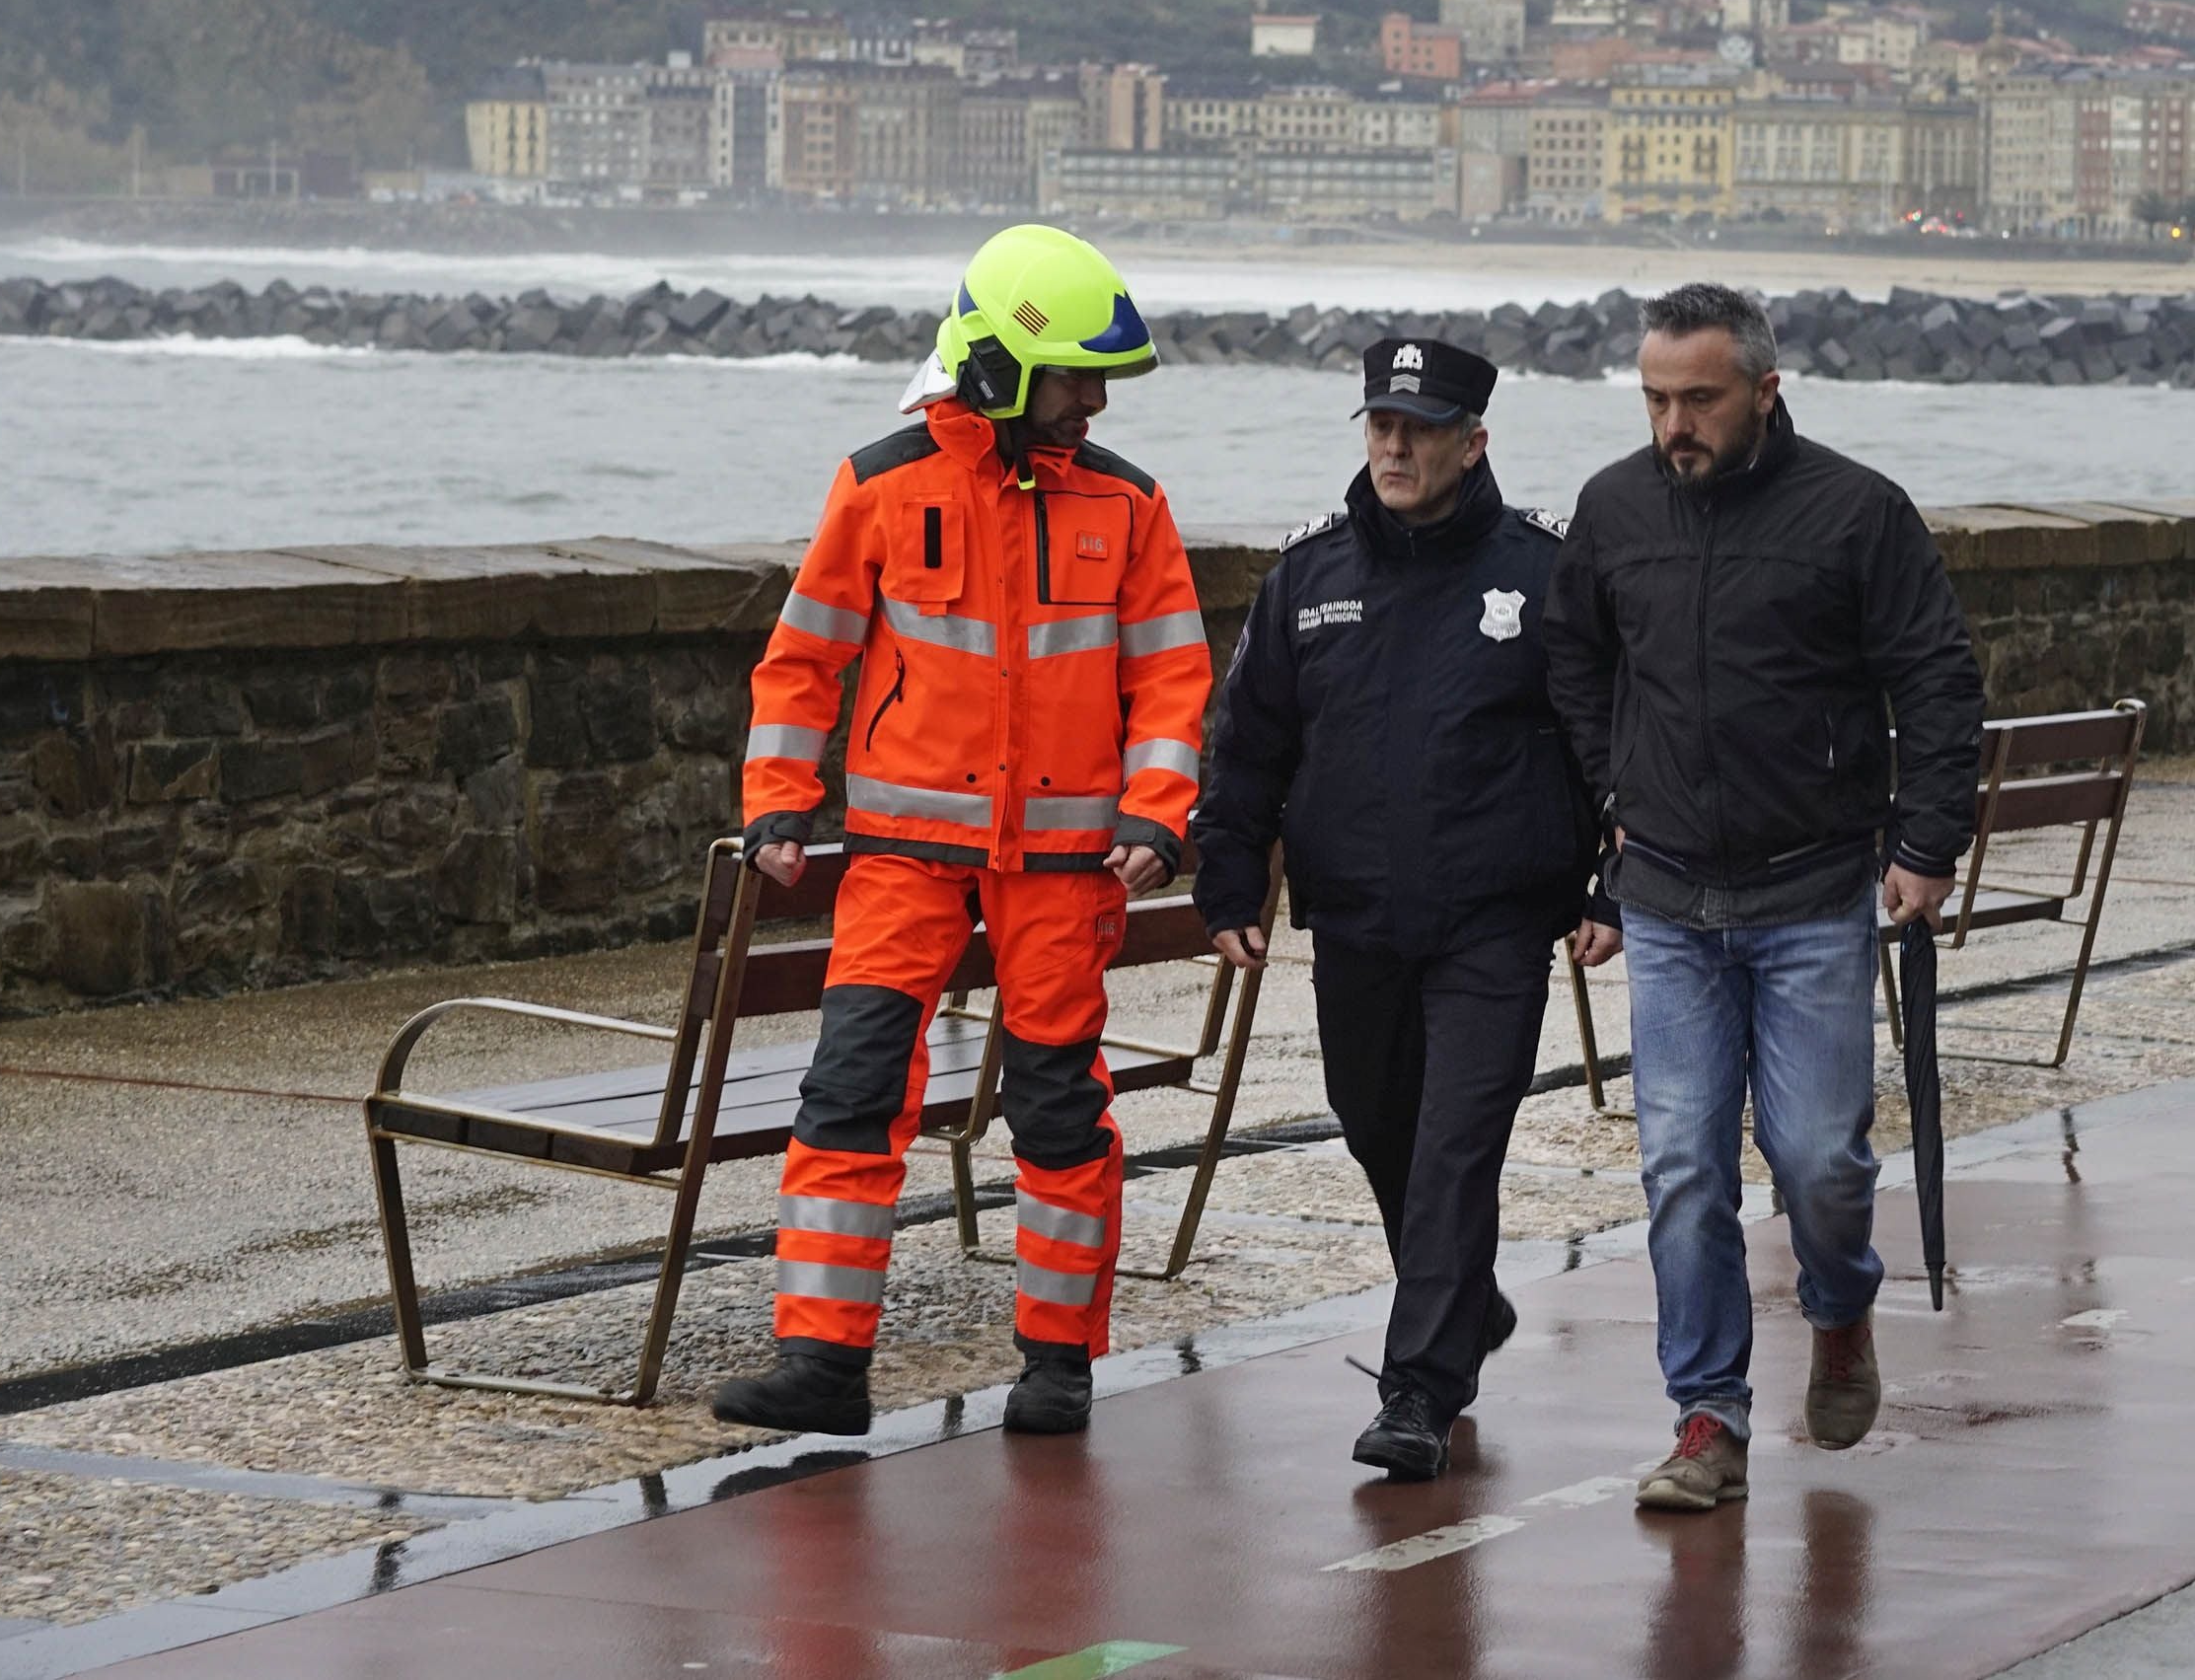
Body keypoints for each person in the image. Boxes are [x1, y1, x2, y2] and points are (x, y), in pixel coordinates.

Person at [708, 225, 1214, 1440]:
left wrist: (1157, 812)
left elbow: (1173, 680)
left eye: (1103, 382)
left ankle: (1058, 1365)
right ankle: (821, 1365)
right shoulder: (880, 484)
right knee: (851, 1093)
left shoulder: (1129, 504)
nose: (1093, 401)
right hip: (900, 860)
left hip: (1060, 872)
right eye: (1076, 376)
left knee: (1056, 1111)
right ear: (998, 365)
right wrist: (776, 801)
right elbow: (803, 657)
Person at [1544, 282, 1986, 1511]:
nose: (1672, 423)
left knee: (1816, 1159)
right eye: (1654, 399)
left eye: (1698, 398)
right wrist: (1607, 793)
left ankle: (1840, 1306)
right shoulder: (1615, 508)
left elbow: (1937, 680)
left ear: (1765, 389)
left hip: (1814, 891)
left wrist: (1928, 841)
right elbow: (1573, 659)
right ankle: (1707, 1416)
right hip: (1670, 896)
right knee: (1682, 1165)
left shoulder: (1856, 512)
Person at [1191, 337, 1600, 1481]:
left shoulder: (1543, 571)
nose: (1394, 445)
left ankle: (1419, 1384)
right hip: (1357, 916)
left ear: (1474, 441)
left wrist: (1610, 880)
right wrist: (1228, 877)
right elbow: (1249, 742)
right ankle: (1462, 1293)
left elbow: (1603, 737)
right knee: (1378, 1125)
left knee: (1457, 1146)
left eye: (1419, 427)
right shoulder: (1308, 577)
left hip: (1495, 917)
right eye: (1379, 423)